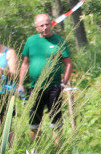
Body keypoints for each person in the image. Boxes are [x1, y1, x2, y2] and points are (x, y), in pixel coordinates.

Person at [17, 13, 72, 143]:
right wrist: (20, 83)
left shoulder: (59, 41)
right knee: (34, 119)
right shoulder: (31, 41)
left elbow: (68, 63)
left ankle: (57, 149)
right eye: (41, 25)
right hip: (35, 87)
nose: (45, 27)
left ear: (51, 24)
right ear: (36, 27)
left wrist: (63, 83)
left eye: (47, 24)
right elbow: (25, 63)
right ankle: (36, 148)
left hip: (54, 86)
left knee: (56, 118)